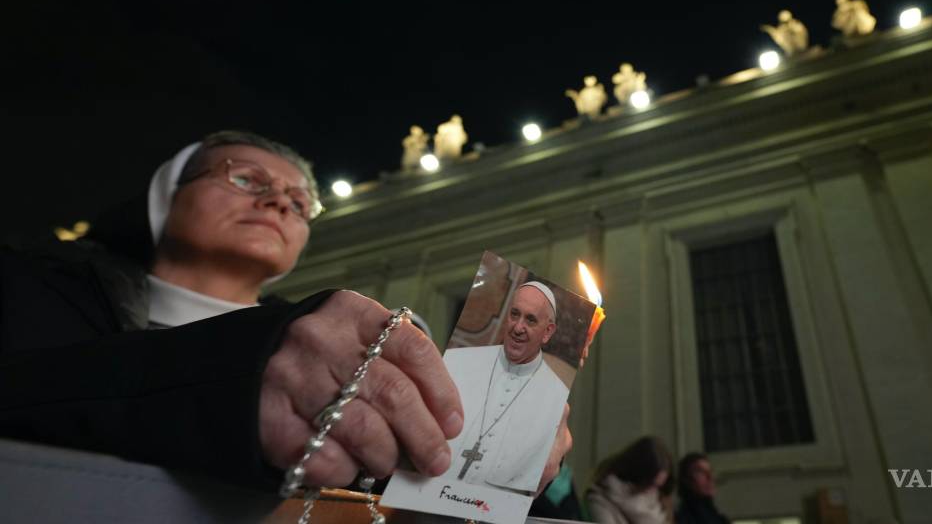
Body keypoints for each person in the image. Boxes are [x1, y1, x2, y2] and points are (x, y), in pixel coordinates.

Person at [0, 130, 570, 494]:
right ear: (165, 196)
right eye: (245, 179)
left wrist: (496, 474)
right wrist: (238, 373)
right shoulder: (28, 287)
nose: (278, 201)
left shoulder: (327, 338)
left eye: (300, 203)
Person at [443, 281, 571, 495]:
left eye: (530, 320)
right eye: (514, 314)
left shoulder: (554, 394)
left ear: (548, 332)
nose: (518, 327)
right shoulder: (458, 362)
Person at [586, 436, 675, 524]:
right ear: (637, 475)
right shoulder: (601, 499)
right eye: (650, 484)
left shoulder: (660, 501)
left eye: (658, 486)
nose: (653, 491)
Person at [674, 453, 728, 524]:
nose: (710, 477)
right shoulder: (684, 518)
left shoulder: (714, 515)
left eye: (710, 471)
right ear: (686, 480)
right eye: (700, 472)